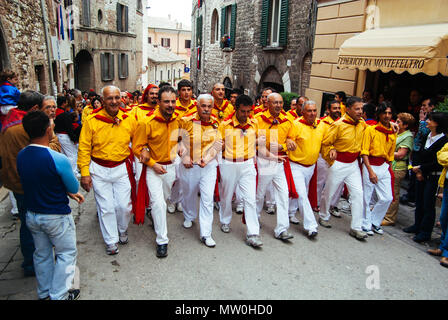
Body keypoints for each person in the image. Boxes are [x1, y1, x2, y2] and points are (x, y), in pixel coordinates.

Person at [17, 110, 84, 300]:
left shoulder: (21, 155)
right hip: (55, 215)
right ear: (48, 130)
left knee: (42, 254)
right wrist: (68, 190)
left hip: (32, 214)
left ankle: (45, 292)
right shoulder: (57, 158)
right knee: (66, 254)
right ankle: (59, 295)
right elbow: (72, 185)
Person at [0, 90, 60, 277]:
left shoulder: (10, 120)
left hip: (16, 180)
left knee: (28, 222)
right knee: (30, 225)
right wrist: (51, 130)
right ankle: (32, 263)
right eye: (44, 107)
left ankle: (33, 259)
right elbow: (51, 151)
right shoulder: (27, 127)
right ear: (35, 108)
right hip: (28, 183)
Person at [78, 85, 138, 255]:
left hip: (121, 167)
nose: (114, 101)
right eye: (109, 98)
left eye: (117, 98)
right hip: (99, 169)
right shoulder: (91, 120)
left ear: (122, 99)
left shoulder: (128, 118)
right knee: (106, 207)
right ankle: (111, 240)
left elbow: (138, 140)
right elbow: (83, 148)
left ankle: (122, 229)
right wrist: (85, 173)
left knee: (124, 206)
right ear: (102, 101)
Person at [217, 94, 281, 247]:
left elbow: (259, 145)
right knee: (226, 196)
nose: (246, 115)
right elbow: (218, 146)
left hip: (248, 165)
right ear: (235, 110)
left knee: (250, 199)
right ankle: (225, 220)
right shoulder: (225, 125)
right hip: (229, 164)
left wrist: (273, 156)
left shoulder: (254, 124)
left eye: (248, 112)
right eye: (242, 112)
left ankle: (253, 233)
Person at [132, 86, 181, 258]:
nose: (170, 105)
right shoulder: (146, 122)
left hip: (171, 168)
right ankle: (162, 241)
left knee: (164, 200)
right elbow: (137, 148)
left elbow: (182, 138)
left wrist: (183, 150)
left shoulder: (178, 120)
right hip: (154, 170)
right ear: (158, 102)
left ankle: (155, 216)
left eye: (173, 101)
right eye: (166, 101)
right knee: (158, 204)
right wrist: (152, 164)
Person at [319, 96, 368, 240]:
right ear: (347, 109)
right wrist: (331, 152)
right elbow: (326, 143)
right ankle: (323, 215)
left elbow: (371, 131)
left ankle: (356, 227)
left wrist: (392, 124)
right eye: (357, 109)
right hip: (338, 163)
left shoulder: (362, 124)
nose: (360, 112)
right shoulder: (338, 125)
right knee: (329, 191)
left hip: (353, 164)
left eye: (361, 109)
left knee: (358, 193)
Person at [178, 94, 221, 247]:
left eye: (210, 106)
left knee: (207, 198)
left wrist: (208, 159)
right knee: (188, 193)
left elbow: (218, 144)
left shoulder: (216, 123)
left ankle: (206, 233)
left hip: (208, 166)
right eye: (203, 106)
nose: (207, 109)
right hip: (189, 165)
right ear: (197, 106)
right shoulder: (185, 121)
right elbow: (177, 141)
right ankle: (189, 215)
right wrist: (184, 155)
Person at [255, 93, 296, 241]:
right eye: (275, 103)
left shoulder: (287, 121)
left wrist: (285, 145)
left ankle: (282, 229)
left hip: (281, 161)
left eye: (280, 103)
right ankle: (255, 218)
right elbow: (260, 144)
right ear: (267, 104)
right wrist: (276, 149)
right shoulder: (259, 120)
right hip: (265, 159)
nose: (278, 105)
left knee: (283, 194)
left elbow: (291, 141)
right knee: (259, 194)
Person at [403, 112, 448, 243]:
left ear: (437, 123)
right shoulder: (427, 136)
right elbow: (420, 153)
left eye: (430, 120)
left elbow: (438, 162)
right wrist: (419, 171)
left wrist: (421, 168)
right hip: (420, 173)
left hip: (432, 176)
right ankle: (417, 225)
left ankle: (425, 231)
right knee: (419, 201)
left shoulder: (443, 141)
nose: (427, 121)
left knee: (428, 204)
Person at [288, 100, 324, 239]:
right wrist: (289, 141)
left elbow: (327, 141)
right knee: (303, 194)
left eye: (314, 110)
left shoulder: (321, 125)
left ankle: (291, 213)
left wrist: (331, 149)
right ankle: (311, 226)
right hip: (296, 165)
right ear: (302, 112)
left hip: (311, 166)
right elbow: (288, 138)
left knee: (301, 192)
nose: (312, 113)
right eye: (309, 111)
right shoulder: (296, 124)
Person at [360, 102, 396, 236]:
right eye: (384, 113)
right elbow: (364, 152)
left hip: (384, 166)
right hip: (370, 164)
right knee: (366, 196)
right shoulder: (371, 129)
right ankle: (365, 223)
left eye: (389, 113)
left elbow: (391, 154)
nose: (387, 116)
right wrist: (370, 171)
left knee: (387, 197)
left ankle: (375, 222)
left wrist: (389, 170)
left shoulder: (393, 132)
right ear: (379, 114)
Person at [382, 112, 415, 226]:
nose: (396, 123)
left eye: (399, 121)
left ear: (405, 125)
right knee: (385, 190)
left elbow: (401, 154)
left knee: (393, 192)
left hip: (398, 168)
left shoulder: (408, 136)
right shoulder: (396, 131)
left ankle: (390, 218)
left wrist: (385, 151)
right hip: (389, 164)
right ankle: (383, 212)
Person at [316, 100, 342, 216]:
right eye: (334, 108)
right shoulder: (322, 122)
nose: (337, 110)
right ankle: (316, 203)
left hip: (338, 157)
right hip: (323, 156)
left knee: (338, 183)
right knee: (320, 181)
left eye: (338, 108)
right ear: (328, 109)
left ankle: (332, 205)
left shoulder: (343, 123)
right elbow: (320, 139)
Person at [427, 141, 448, 267]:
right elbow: (440, 155)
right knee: (444, 217)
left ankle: (446, 252)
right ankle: (442, 247)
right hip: (446, 183)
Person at [54, 95, 81, 178]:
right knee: (72, 155)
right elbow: (69, 128)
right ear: (64, 103)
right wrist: (74, 139)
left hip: (58, 135)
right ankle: (73, 172)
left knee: (63, 154)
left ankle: (64, 170)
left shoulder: (56, 112)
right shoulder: (65, 115)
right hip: (65, 136)